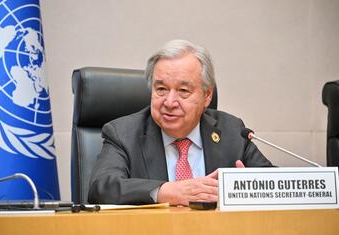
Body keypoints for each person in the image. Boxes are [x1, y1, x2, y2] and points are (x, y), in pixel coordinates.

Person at [88, 39, 273, 206]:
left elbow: (277, 184)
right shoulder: (123, 134)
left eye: (183, 90)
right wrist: (165, 192)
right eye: (161, 89)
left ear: (207, 96)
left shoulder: (232, 132)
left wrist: (249, 186)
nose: (169, 102)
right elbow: (101, 188)